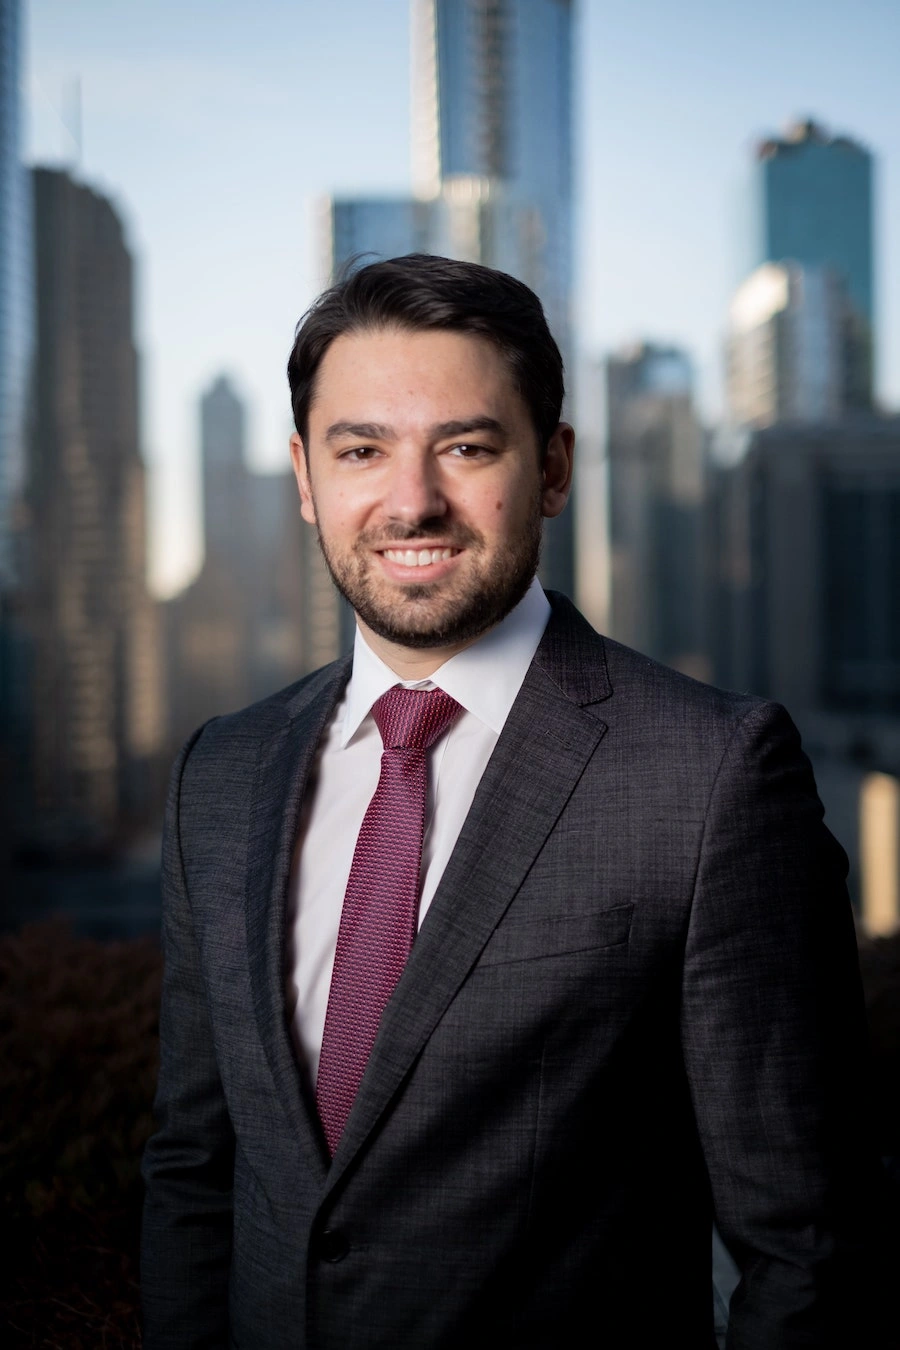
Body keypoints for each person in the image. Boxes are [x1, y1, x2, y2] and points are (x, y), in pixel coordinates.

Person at [141, 255, 887, 1349]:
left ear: (553, 467)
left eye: (467, 446)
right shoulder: (222, 772)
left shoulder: (712, 776)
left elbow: (809, 1248)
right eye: (362, 450)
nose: (412, 500)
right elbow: (193, 1173)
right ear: (305, 476)